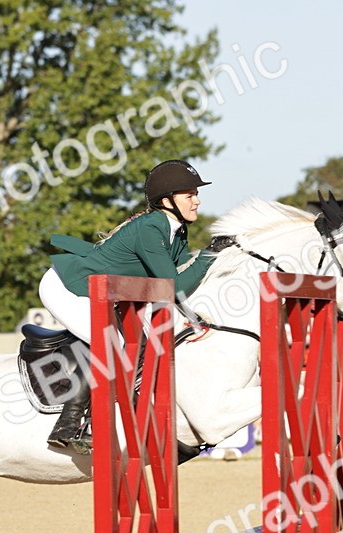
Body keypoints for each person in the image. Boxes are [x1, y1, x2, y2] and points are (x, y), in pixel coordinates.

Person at [37, 159, 219, 450]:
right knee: (118, 343)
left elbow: (183, 274)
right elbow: (174, 287)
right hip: (68, 287)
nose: (197, 201)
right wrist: (210, 256)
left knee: (142, 345)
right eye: (190, 195)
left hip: (101, 292)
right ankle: (69, 426)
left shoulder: (177, 231)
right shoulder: (151, 227)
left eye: (196, 194)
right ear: (167, 201)